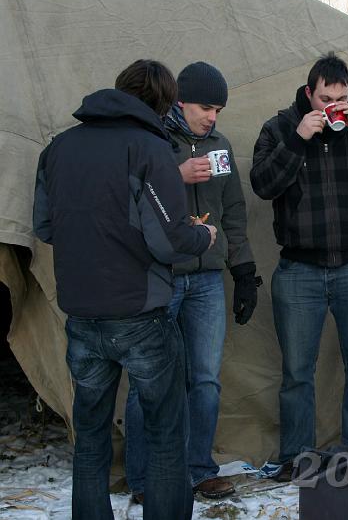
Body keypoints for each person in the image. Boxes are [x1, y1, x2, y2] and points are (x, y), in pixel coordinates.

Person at [32, 59, 216, 520]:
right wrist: (202, 237)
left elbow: (45, 225)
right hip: (139, 314)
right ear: (164, 103)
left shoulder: (57, 148)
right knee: (165, 434)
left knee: (91, 438)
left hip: (81, 315)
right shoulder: (150, 149)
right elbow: (169, 240)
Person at [250, 52, 348, 481]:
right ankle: (296, 459)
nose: (333, 106)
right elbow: (263, 185)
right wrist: (299, 138)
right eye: (325, 98)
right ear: (308, 93)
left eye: (341, 98)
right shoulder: (280, 127)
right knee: (297, 373)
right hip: (299, 271)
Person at [124, 62, 260, 501]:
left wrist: (243, 272)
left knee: (204, 379)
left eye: (218, 109)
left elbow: (234, 213)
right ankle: (145, 478)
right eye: (206, 107)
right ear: (179, 101)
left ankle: (200, 468)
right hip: (160, 276)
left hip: (205, 281)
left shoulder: (220, 145)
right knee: (152, 377)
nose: (212, 117)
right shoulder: (152, 140)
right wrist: (175, 176)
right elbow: (126, 198)